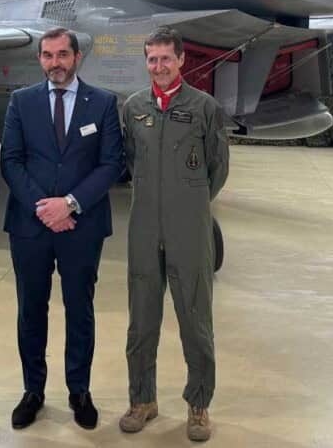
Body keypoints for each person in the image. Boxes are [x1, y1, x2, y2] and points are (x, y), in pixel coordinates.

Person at [0, 26, 124, 431]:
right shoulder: (21, 101)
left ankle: (79, 391)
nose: (55, 63)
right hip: (31, 227)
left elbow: (111, 164)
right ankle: (32, 390)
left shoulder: (103, 103)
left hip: (81, 226)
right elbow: (12, 162)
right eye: (48, 56)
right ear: (40, 60)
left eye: (62, 55)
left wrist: (70, 204)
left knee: (80, 310)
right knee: (30, 310)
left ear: (77, 57)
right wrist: (45, 207)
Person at [118, 27, 229, 442]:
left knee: (196, 319)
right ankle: (142, 400)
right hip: (144, 227)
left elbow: (218, 168)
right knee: (141, 321)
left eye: (166, 59)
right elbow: (131, 160)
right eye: (152, 59)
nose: (159, 67)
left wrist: (189, 202)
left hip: (189, 228)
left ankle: (198, 405)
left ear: (182, 60)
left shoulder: (205, 108)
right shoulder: (133, 108)